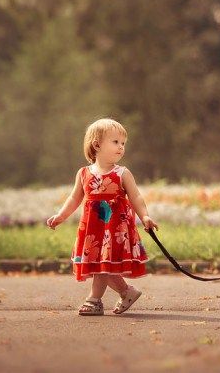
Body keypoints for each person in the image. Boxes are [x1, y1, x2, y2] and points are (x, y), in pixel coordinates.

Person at [46, 118, 159, 316]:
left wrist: (145, 217)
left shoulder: (122, 173)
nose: (121, 147)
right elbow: (74, 198)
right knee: (104, 265)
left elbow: (136, 197)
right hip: (93, 229)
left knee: (103, 265)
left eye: (123, 143)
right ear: (97, 144)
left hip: (115, 230)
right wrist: (60, 216)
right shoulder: (84, 173)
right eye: (115, 142)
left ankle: (94, 300)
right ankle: (127, 292)